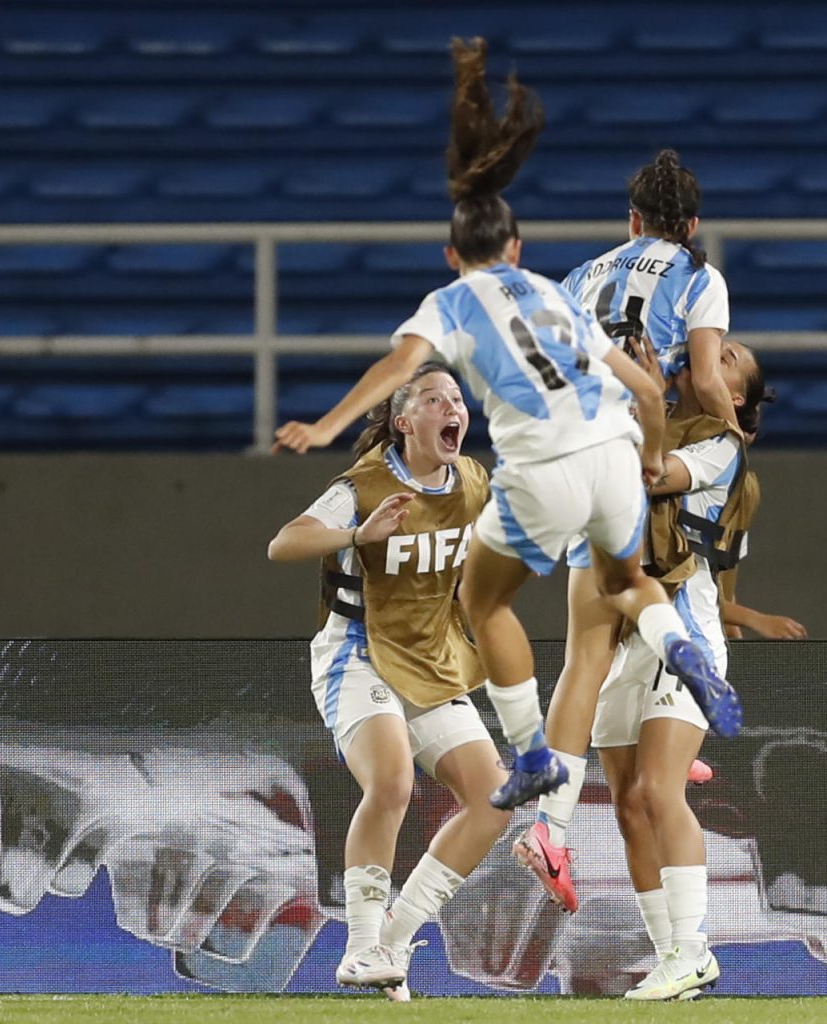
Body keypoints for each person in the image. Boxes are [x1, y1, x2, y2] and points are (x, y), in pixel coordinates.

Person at [274, 37, 741, 814]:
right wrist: (654, 452)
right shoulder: (550, 294)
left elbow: (395, 373)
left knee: (482, 600)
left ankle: (531, 756)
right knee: (630, 582)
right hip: (619, 461)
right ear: (517, 248)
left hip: (546, 468)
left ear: (453, 255)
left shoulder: (475, 299)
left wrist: (326, 428)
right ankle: (680, 646)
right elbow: (652, 394)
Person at [518, 338, 773, 1001]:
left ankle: (694, 949)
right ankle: (673, 960)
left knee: (661, 793)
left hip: (681, 626)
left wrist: (638, 390)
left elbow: (650, 475)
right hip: (621, 635)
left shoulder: (723, 444)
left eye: (728, 356)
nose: (708, 349)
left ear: (736, 395)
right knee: (630, 804)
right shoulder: (648, 415)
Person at [266, 362, 511, 998]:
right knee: (393, 780)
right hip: (357, 654)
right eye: (434, 399)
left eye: (457, 398)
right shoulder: (366, 485)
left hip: (429, 660)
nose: (451, 407)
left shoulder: (473, 482)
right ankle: (358, 947)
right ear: (404, 422)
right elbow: (284, 543)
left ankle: (393, 940)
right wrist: (356, 534)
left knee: (492, 800)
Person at [563, 148, 735, 428]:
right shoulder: (700, 277)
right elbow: (706, 381)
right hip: (627, 426)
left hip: (564, 421)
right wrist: (736, 442)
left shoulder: (582, 274)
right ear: (692, 226)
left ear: (635, 219)